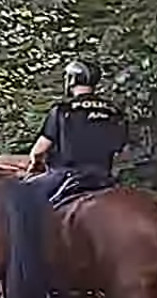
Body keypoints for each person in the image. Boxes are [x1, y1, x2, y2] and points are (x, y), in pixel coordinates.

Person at [25, 59, 128, 201]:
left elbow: (39, 151)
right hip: (104, 178)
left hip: (68, 177)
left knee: (21, 195)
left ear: (72, 80)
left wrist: (35, 164)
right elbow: (121, 147)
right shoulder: (114, 112)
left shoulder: (63, 110)